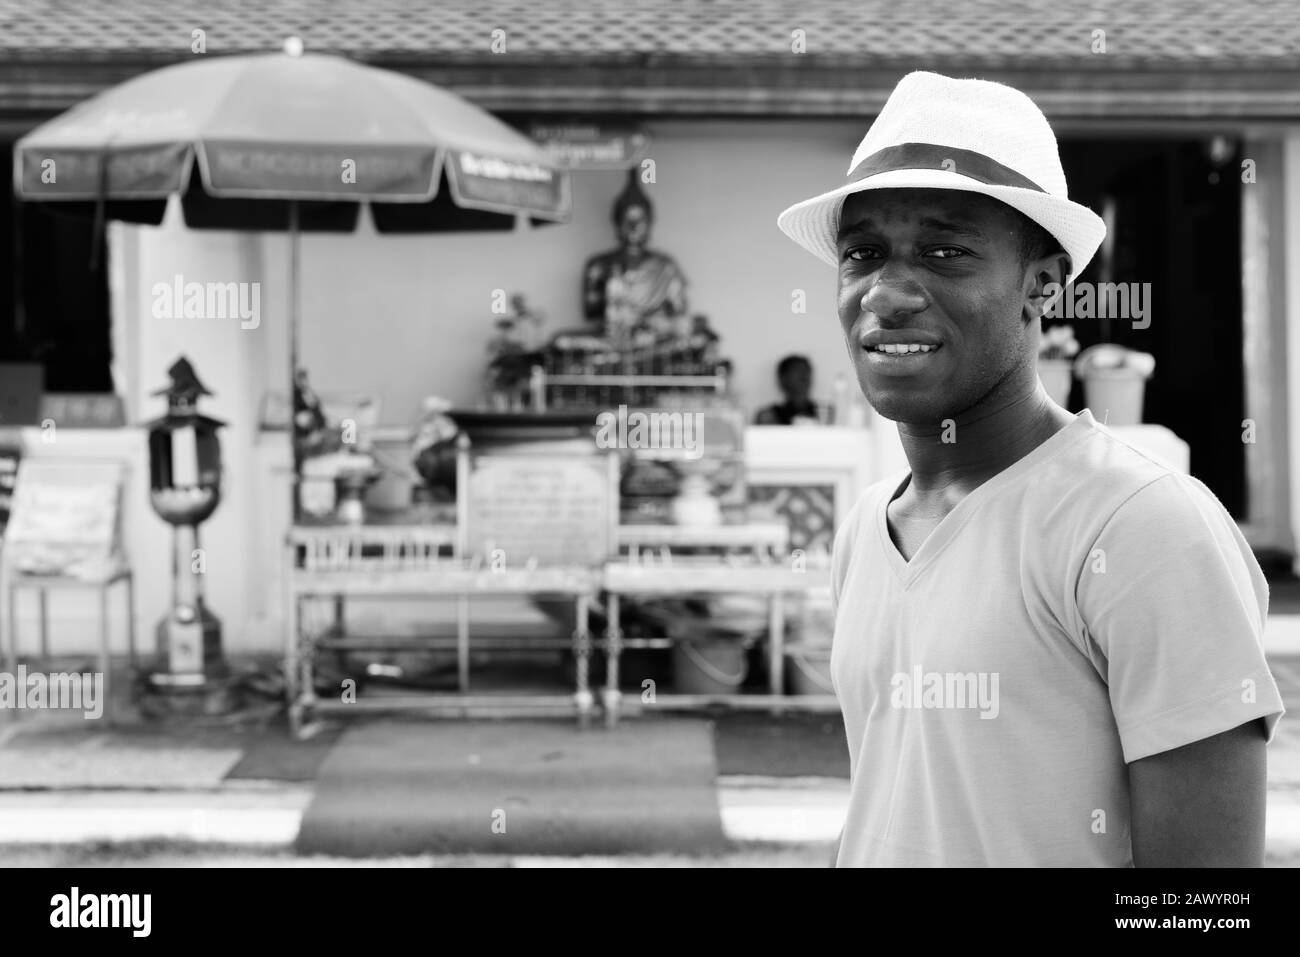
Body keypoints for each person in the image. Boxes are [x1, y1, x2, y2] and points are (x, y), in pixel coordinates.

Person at [777, 71, 1284, 867]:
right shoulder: (867, 529)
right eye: (863, 253)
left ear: (1042, 285)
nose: (888, 292)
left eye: (945, 251)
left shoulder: (1140, 526)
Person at [582, 169, 688, 343]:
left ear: (650, 222)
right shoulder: (599, 265)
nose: (634, 227)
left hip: (655, 339)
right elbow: (592, 313)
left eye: (640, 221)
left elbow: (679, 311)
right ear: (616, 222)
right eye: (627, 220)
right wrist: (615, 300)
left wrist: (653, 323)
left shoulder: (665, 266)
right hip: (614, 339)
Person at [755, 354, 820, 425]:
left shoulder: (823, 414)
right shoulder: (769, 416)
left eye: (807, 371)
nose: (804, 376)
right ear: (783, 379)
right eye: (797, 371)